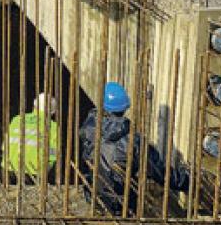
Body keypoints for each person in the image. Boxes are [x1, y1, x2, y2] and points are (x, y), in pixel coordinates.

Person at [80, 82, 190, 216]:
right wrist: (186, 181)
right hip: (120, 204)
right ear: (125, 108)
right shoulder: (133, 141)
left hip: (93, 196)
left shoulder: (88, 128)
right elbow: (159, 171)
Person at [4, 93, 59, 183]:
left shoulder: (17, 119)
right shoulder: (52, 126)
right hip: (33, 173)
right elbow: (53, 154)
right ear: (52, 112)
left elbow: (5, 146)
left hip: (9, 170)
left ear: (34, 106)